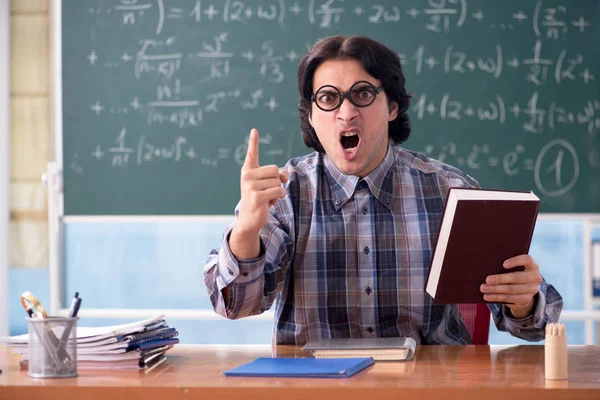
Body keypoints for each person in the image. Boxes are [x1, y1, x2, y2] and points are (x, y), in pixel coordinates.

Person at [203, 35, 562, 345]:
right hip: (315, 387)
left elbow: (535, 325)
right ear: (311, 115)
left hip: (429, 386)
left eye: (362, 94)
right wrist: (247, 231)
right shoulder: (285, 195)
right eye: (328, 98)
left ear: (392, 106)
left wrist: (523, 300)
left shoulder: (448, 190)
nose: (346, 112)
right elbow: (235, 305)